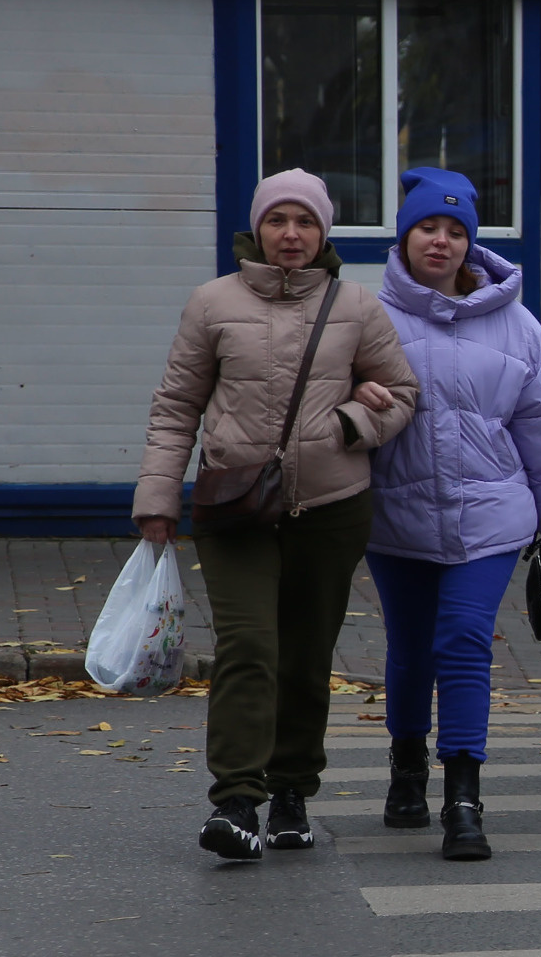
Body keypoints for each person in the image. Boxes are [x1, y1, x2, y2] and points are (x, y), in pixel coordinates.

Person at [137, 171, 419, 863]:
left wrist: (352, 423)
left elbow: (405, 392)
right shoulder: (212, 303)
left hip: (331, 510)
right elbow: (176, 407)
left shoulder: (357, 305)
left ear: (324, 233)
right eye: (278, 221)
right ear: (256, 229)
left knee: (304, 656)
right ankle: (236, 800)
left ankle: (292, 791)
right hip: (236, 510)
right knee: (249, 648)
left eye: (305, 222)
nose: (291, 234)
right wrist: (157, 497)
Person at [366, 169, 541, 863]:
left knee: (462, 641)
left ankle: (464, 798)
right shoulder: (367, 317)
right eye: (429, 227)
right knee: (408, 652)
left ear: (471, 243)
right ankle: (408, 769)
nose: (442, 240)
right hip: (395, 515)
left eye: (456, 231)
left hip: (489, 516)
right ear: (405, 234)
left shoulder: (516, 324)